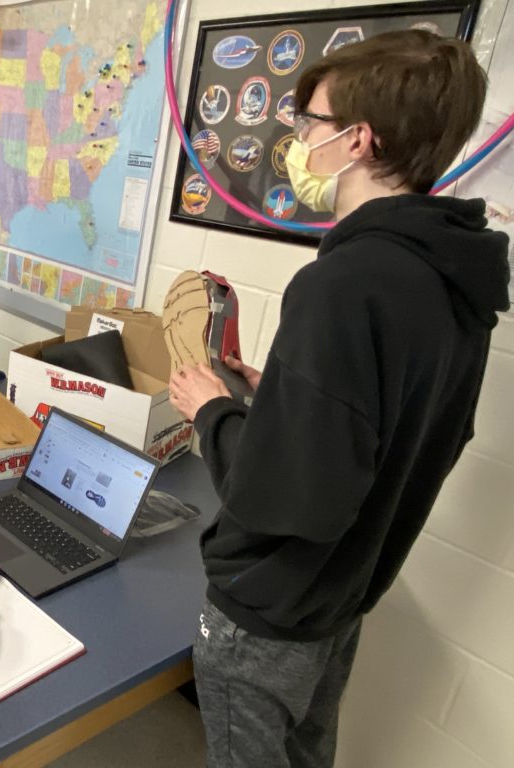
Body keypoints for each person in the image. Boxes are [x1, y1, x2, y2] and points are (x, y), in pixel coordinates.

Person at [166, 30, 510, 767]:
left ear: (357, 140)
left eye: (309, 123)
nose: (299, 138)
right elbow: (409, 430)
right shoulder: (454, 278)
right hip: (344, 595)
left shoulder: (342, 283)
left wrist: (212, 412)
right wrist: (283, 399)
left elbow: (286, 497)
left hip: (272, 609)